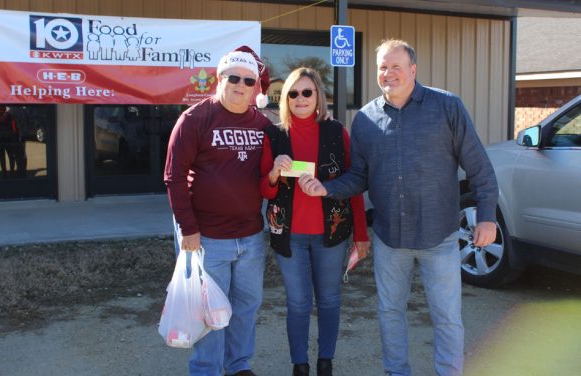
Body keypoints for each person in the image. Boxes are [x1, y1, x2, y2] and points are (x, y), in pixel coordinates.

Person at [298, 39, 498, 376]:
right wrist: (326, 188)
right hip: (390, 238)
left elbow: (479, 167)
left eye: (396, 67)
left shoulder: (447, 107)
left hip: (440, 235)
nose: (388, 74)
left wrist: (487, 217)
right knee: (390, 312)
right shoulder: (365, 119)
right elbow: (359, 177)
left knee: (447, 316)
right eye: (382, 68)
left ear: (413, 70)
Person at [163, 45, 271, 376]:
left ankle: (238, 366)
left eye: (248, 80)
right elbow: (174, 177)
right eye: (233, 78)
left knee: (246, 308)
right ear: (219, 78)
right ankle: (207, 369)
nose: (241, 85)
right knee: (209, 312)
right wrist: (188, 229)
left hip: (252, 236)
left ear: (256, 87)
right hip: (208, 238)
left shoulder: (262, 124)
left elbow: (276, 171)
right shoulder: (194, 119)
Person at [259, 67, 370, 376]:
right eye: (293, 93)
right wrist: (273, 173)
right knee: (297, 303)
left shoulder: (336, 132)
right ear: (286, 99)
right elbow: (264, 189)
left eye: (307, 92)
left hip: (330, 234)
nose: (300, 98)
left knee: (330, 299)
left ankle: (325, 362)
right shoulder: (274, 135)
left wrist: (361, 236)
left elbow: (354, 185)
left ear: (318, 95)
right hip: (289, 235)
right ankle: (300, 365)